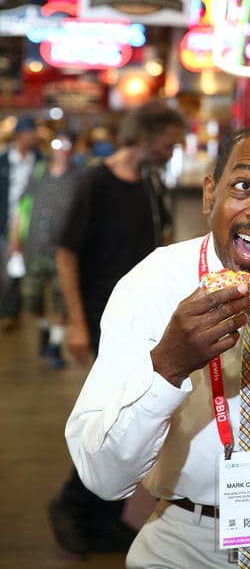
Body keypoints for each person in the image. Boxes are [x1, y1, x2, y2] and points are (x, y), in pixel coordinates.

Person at [64, 123, 250, 569]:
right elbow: (102, 476)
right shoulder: (154, 285)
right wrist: (167, 366)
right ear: (210, 193)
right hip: (188, 541)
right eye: (243, 186)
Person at [48, 99, 186, 558]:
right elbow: (66, 254)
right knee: (107, 415)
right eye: (168, 143)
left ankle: (103, 521)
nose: (172, 152)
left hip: (141, 320)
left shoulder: (150, 184)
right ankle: (71, 504)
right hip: (96, 316)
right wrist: (73, 322)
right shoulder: (96, 182)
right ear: (147, 134)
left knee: (128, 413)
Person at [10, 130, 81, 368]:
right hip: (34, 246)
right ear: (50, 147)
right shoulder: (38, 172)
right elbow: (22, 207)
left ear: (72, 148)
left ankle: (54, 346)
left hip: (64, 250)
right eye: (56, 143)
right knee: (32, 297)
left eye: (66, 143)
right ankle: (45, 328)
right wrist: (14, 240)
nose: (61, 148)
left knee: (61, 298)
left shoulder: (78, 177)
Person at [0, 116, 42, 331]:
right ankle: (8, 312)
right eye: (30, 132)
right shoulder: (4, 160)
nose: (33, 136)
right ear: (20, 135)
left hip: (32, 225)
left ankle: (17, 310)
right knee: (7, 271)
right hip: (6, 223)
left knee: (22, 269)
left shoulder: (39, 160)